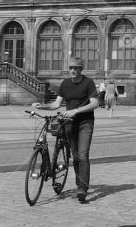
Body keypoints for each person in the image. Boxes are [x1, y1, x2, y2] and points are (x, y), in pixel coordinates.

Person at [33, 57, 99, 202]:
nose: (73, 70)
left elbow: (95, 103)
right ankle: (80, 184)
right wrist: (42, 106)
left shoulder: (88, 83)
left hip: (85, 123)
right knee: (75, 156)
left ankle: (82, 189)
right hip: (69, 124)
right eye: (70, 68)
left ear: (81, 69)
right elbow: (56, 104)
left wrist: (76, 110)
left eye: (76, 68)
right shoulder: (65, 84)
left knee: (83, 155)